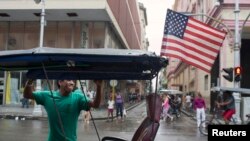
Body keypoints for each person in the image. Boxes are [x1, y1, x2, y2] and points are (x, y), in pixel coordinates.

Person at [23, 79, 102, 141]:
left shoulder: (78, 98)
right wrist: (29, 82)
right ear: (60, 82)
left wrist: (98, 86)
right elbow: (27, 95)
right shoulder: (48, 96)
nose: (71, 82)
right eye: (68, 80)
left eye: (72, 81)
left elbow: (96, 104)